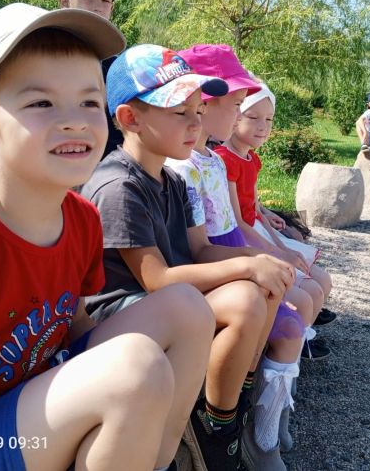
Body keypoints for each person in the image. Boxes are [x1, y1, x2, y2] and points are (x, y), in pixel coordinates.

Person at [0, 3, 216, 471]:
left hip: (35, 396)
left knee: (186, 307)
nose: (76, 120)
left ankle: (154, 460)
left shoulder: (81, 217)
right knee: (134, 366)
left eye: (89, 100)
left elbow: (76, 325)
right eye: (41, 102)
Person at [79, 44, 296, 471]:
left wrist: (259, 256)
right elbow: (156, 278)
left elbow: (199, 249)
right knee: (246, 297)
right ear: (129, 118)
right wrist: (246, 265)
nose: (195, 124)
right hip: (123, 316)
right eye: (181, 113)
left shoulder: (174, 180)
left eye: (199, 111)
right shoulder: (119, 185)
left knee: (265, 285)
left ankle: (232, 408)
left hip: (170, 303)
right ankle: (216, 427)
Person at [165, 44, 308, 469]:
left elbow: (234, 219)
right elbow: (192, 247)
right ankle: (227, 423)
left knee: (274, 297)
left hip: (223, 253)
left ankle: (246, 414)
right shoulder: (184, 167)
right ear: (204, 104)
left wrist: (268, 251)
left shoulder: (209, 161)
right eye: (237, 105)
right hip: (206, 269)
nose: (240, 115)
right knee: (267, 306)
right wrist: (254, 258)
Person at [215, 81, 335, 360]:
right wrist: (278, 250)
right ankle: (287, 347)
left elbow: (253, 206)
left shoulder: (251, 159)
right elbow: (238, 220)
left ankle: (299, 341)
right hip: (241, 236)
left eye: (268, 119)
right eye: (253, 118)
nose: (263, 126)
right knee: (305, 285)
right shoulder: (225, 159)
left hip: (254, 228)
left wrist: (271, 225)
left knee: (319, 278)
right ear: (235, 119)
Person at [58, 0, 125, 157]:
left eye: (105, 1)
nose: (97, 7)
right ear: (64, 1)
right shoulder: (42, 55)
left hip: (108, 177)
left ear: (112, 9)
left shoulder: (117, 68)